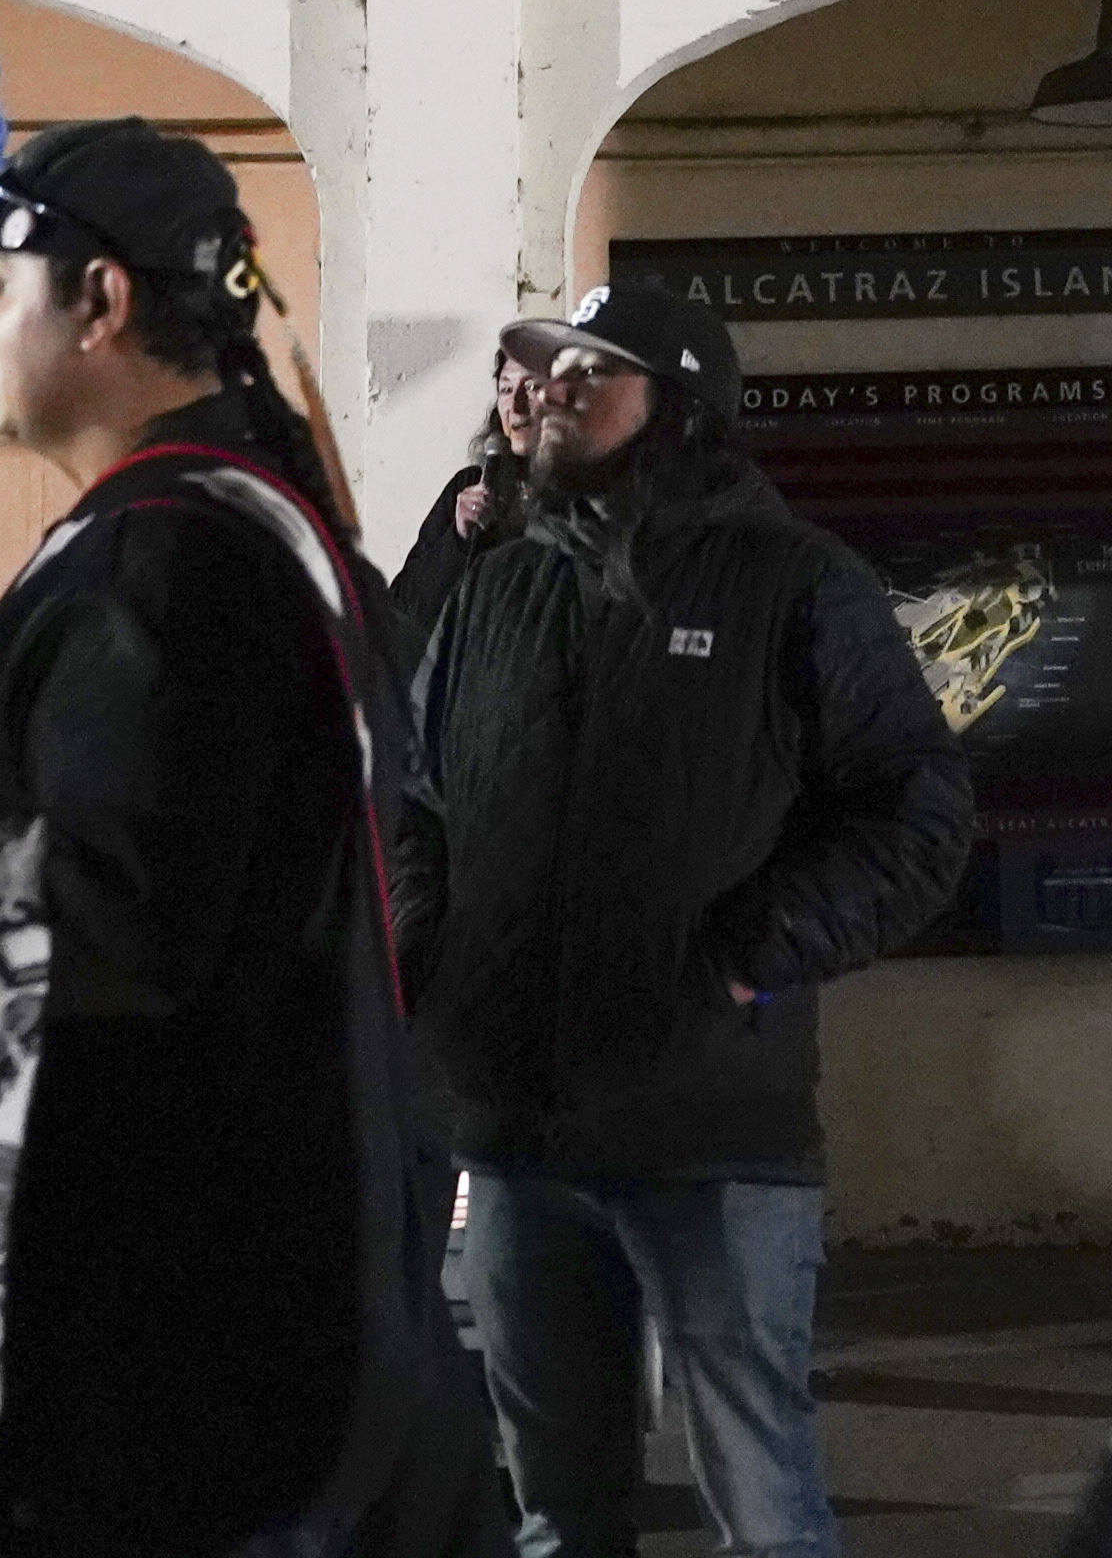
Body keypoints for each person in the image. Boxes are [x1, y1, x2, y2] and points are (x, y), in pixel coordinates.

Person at [0, 116, 487, 1557]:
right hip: (266, 1299)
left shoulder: (168, 565)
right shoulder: (261, 532)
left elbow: (112, 933)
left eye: (2, 288)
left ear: (103, 302)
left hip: (157, 1348)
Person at [397, 280, 977, 1558]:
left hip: (711, 1132)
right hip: (516, 1136)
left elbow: (917, 813)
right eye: (542, 373)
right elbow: (416, 803)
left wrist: (739, 958)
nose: (549, 392)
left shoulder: (793, 581)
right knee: (556, 1516)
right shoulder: (492, 592)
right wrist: (432, 955)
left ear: (682, 406)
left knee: (764, 1515)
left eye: (587, 373)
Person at [384, 332, 543, 663]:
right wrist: (457, 539)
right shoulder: (469, 486)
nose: (516, 406)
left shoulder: (583, 496)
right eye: (505, 390)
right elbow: (404, 609)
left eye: (529, 387)